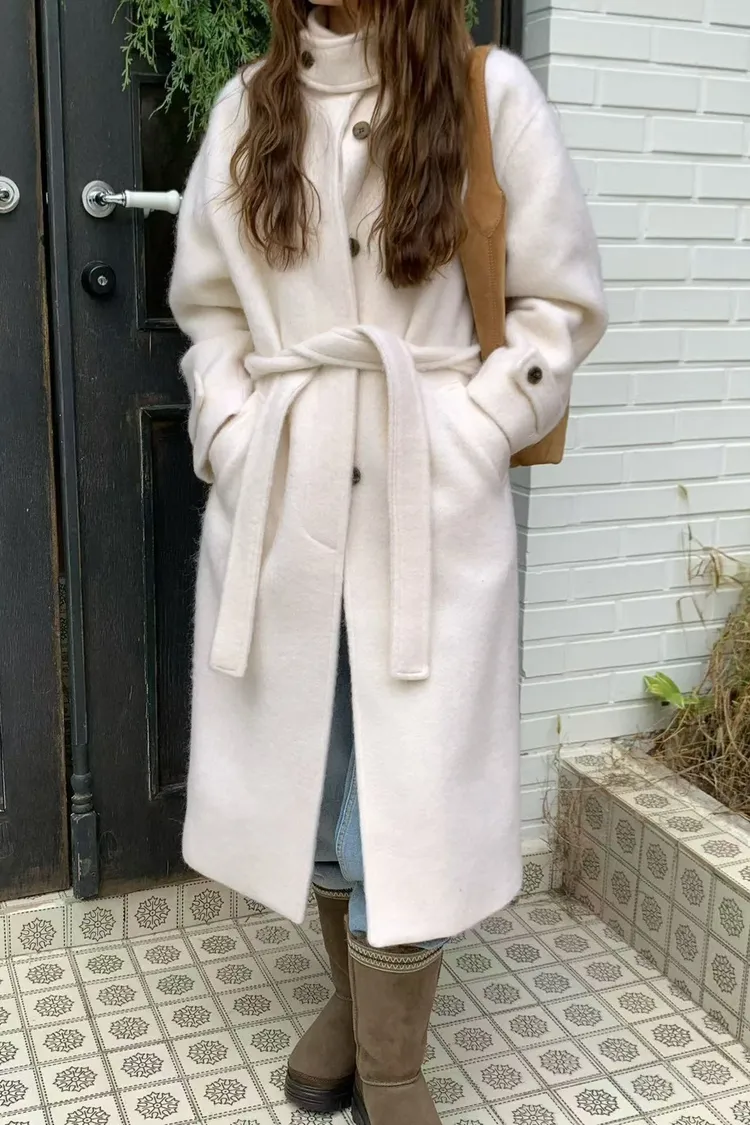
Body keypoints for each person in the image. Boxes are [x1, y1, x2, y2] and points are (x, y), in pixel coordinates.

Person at [169, 1, 606, 1121]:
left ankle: (394, 1064)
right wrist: (233, 430)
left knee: (402, 799)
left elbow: (558, 304)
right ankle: (351, 1007)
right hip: (283, 501)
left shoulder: (487, 94)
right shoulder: (247, 107)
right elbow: (209, 313)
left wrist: (476, 429)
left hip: (427, 505)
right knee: (310, 783)